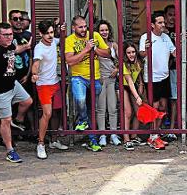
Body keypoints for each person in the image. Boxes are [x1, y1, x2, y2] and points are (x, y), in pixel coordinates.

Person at [0, 22, 33, 163]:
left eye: (10, 34)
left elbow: (14, 50)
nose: (9, 37)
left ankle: (18, 120)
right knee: (5, 120)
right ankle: (10, 151)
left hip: (12, 84)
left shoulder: (9, 45)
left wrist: (26, 47)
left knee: (27, 101)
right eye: (5, 35)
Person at [64, 15, 111, 152]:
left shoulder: (95, 35)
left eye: (85, 26)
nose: (84, 29)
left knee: (92, 111)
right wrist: (86, 49)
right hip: (78, 77)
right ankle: (82, 121)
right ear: (73, 28)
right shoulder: (70, 40)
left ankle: (92, 140)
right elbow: (70, 61)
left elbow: (107, 53)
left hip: (95, 78)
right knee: (80, 99)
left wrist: (95, 49)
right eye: (80, 27)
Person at [30, 20, 69, 159]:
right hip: (44, 85)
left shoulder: (54, 41)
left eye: (51, 32)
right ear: (41, 34)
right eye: (47, 33)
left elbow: (61, 38)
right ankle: (41, 144)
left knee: (57, 112)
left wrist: (60, 28)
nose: (50, 36)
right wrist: (34, 74)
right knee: (47, 113)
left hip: (56, 83)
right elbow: (35, 63)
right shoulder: (39, 48)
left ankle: (53, 140)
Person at [139, 11, 177, 150]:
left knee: (163, 107)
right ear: (152, 25)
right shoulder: (146, 37)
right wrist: (147, 49)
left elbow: (175, 52)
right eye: (160, 23)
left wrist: (182, 42)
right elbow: (141, 54)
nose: (163, 25)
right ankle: (153, 136)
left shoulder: (166, 37)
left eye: (163, 22)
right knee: (153, 108)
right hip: (152, 78)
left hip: (164, 77)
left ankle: (156, 135)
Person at [95, 20, 121, 147]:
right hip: (99, 79)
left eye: (106, 30)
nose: (104, 32)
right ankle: (102, 135)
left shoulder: (113, 45)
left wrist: (116, 69)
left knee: (112, 108)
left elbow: (121, 61)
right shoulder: (94, 45)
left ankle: (113, 134)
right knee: (100, 109)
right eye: (101, 30)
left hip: (111, 79)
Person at [121, 41, 144, 150]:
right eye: (129, 53)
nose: (131, 55)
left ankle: (134, 135)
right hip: (123, 86)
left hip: (134, 86)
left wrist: (141, 84)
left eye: (133, 52)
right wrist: (137, 97)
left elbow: (138, 75)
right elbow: (129, 80)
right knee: (128, 112)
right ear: (125, 54)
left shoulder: (138, 61)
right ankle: (126, 139)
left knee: (138, 111)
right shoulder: (123, 64)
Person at [164, 4, 179, 142]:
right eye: (170, 15)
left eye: (175, 15)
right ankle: (162, 127)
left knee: (174, 99)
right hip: (160, 69)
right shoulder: (160, 31)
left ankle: (173, 128)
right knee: (161, 100)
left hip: (174, 68)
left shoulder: (179, 30)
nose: (172, 18)